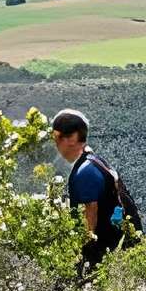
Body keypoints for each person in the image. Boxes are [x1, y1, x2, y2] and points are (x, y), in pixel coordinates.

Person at [50, 107, 131, 280]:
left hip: (98, 245)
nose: (56, 145)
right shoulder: (94, 161)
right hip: (111, 237)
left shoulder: (85, 171)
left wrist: (83, 248)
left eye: (57, 138)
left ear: (72, 138)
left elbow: (90, 212)